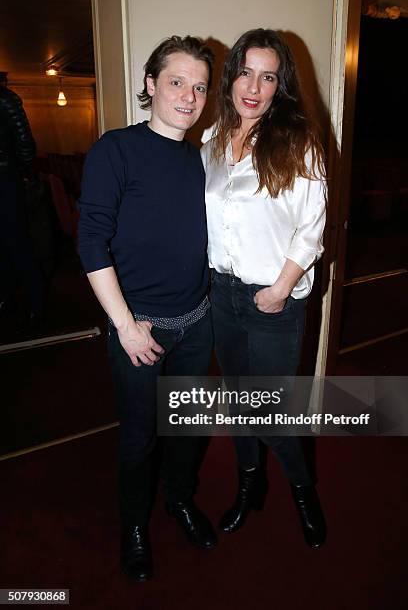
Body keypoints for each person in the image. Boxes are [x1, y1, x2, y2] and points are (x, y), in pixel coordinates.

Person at [78, 36, 216, 582]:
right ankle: (134, 524)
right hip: (139, 327)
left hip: (196, 323)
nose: (189, 95)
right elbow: (91, 241)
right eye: (177, 82)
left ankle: (179, 500)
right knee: (140, 435)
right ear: (152, 85)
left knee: (186, 429)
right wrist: (125, 327)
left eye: (200, 86)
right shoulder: (116, 149)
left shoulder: (201, 160)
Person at [201, 29, 326, 548]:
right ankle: (250, 482)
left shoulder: (298, 144)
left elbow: (312, 229)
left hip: (272, 300)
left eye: (268, 76)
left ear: (281, 86)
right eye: (245, 72)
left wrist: (279, 290)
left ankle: (303, 489)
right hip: (221, 295)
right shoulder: (210, 141)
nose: (254, 86)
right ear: (230, 78)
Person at [0, 71, 44, 334]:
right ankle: (8, 298)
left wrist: (23, 174)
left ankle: (36, 303)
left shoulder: (6, 99)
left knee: (17, 242)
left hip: (6, 179)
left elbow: (26, 143)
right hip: (7, 177)